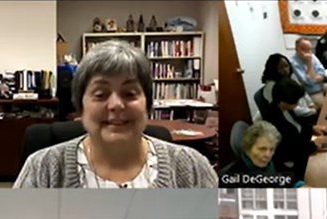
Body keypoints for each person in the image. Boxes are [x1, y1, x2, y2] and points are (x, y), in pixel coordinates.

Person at [14, 40, 217, 188]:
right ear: (81, 107)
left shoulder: (192, 168)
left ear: (147, 104)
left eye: (129, 93)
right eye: (100, 94)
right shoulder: (42, 168)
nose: (116, 105)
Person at [261, 78, 327, 181]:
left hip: (302, 144)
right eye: (295, 102)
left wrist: (312, 128)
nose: (297, 104)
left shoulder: (285, 108)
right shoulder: (273, 122)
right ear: (282, 101)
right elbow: (288, 152)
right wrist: (313, 145)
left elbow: (297, 125)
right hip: (293, 161)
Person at [220, 121, 300, 186]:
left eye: (271, 149)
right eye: (262, 149)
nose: (268, 155)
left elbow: (290, 177)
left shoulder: (271, 163)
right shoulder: (232, 178)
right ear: (248, 148)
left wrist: (299, 185)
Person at [261, 53, 317, 119]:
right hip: (297, 117)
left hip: (306, 110)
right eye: (281, 68)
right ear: (273, 69)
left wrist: (311, 104)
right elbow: (290, 109)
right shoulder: (272, 87)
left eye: (287, 66)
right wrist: (311, 111)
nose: (285, 70)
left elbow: (302, 92)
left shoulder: (290, 77)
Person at [289, 38, 327, 110]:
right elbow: (310, 82)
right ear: (296, 49)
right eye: (304, 49)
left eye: (309, 49)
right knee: (326, 108)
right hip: (311, 93)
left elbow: (323, 73)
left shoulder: (312, 56)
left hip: (321, 85)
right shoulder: (293, 63)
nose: (308, 52)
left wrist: (316, 78)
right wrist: (309, 63)